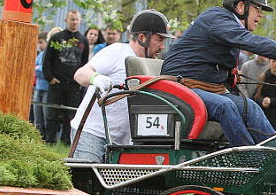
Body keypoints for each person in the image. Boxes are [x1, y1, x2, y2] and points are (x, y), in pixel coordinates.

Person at [161, 0, 276, 146]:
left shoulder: (227, 26)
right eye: (258, 8)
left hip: (202, 89)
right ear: (241, 7)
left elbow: (203, 61)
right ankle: (250, 158)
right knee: (225, 105)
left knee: (251, 107)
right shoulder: (217, 19)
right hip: (181, 89)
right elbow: (250, 42)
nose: (261, 15)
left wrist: (228, 74)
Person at [70, 9, 174, 162]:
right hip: (92, 135)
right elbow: (80, 74)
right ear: (142, 37)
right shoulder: (117, 51)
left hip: (122, 143)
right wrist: (95, 77)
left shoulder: (151, 65)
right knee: (86, 183)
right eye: (159, 39)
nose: (162, 46)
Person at [43, 10, 88, 146]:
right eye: (72, 19)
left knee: (71, 115)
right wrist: (50, 78)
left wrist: (81, 81)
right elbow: (47, 59)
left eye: (76, 20)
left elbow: (85, 63)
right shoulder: (56, 38)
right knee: (52, 114)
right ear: (66, 20)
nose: (74, 22)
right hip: (56, 82)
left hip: (74, 84)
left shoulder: (83, 40)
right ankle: (50, 141)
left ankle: (66, 142)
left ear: (79, 21)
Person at [30, 31, 50, 138]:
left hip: (46, 88)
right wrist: (38, 69)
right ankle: (38, 138)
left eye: (41, 42)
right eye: (38, 42)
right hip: (38, 87)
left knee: (45, 115)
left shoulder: (48, 54)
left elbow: (43, 70)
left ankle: (47, 139)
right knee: (37, 115)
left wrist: (38, 69)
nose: (39, 45)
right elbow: (36, 70)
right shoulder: (40, 54)